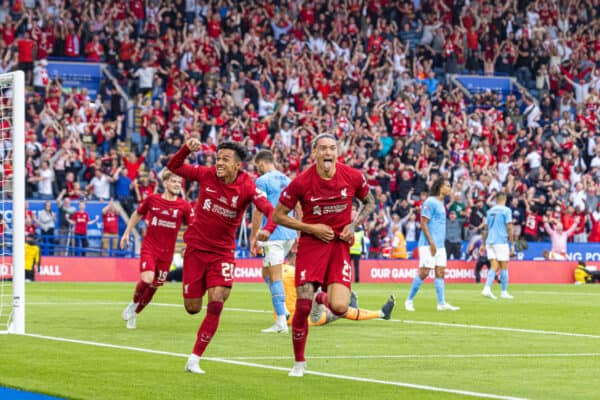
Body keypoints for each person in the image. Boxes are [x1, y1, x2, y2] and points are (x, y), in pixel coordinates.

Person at [167, 138, 277, 375]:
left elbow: (270, 209)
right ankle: (201, 288)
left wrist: (266, 230)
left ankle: (194, 358)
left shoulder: (248, 186)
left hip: (222, 254)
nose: (219, 163)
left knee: (217, 301)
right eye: (218, 158)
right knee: (193, 308)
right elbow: (174, 167)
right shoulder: (206, 175)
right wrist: (186, 148)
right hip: (196, 251)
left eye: (225, 159)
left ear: (238, 165)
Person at [271, 133, 376, 377]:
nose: (328, 153)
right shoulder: (301, 182)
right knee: (303, 306)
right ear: (314, 153)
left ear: (337, 152)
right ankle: (299, 363)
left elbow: (369, 202)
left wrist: (355, 224)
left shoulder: (352, 176)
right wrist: (310, 228)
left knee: (339, 307)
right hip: (311, 245)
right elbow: (278, 215)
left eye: (332, 148)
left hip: (339, 245)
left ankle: (323, 298)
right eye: (323, 149)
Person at [120, 170, 193, 329]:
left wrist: (190, 245)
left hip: (167, 253)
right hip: (150, 247)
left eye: (178, 183)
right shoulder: (152, 199)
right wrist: (126, 233)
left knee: (155, 285)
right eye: (173, 182)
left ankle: (135, 314)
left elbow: (192, 228)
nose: (176, 185)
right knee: (147, 279)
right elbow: (137, 214)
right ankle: (132, 305)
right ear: (165, 183)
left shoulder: (184, 206)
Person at [250, 149, 297, 334]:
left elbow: (258, 210)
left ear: (261, 163)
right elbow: (298, 204)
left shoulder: (262, 181)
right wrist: (298, 229)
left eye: (257, 166)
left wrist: (254, 236)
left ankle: (281, 322)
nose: (257, 170)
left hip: (272, 234)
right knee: (266, 273)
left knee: (275, 276)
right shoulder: (287, 180)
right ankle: (283, 309)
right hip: (289, 232)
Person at [405, 177, 460, 312]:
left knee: (440, 272)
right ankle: (409, 300)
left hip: (440, 244)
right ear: (440, 187)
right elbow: (423, 223)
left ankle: (441, 303)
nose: (449, 188)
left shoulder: (442, 203)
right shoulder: (430, 201)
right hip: (428, 244)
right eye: (447, 185)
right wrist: (431, 243)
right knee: (424, 272)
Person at [279, 264, 394, 326]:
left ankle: (355, 307)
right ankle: (381, 313)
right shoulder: (294, 272)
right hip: (305, 319)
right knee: (339, 309)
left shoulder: (275, 274)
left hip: (287, 317)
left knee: (325, 301)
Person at [481, 193, 514, 300]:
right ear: (504, 199)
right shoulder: (506, 210)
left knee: (494, 266)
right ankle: (504, 292)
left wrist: (482, 244)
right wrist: (512, 244)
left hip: (489, 241)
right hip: (500, 241)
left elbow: (485, 229)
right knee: (504, 267)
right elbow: (509, 227)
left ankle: (486, 288)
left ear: (496, 200)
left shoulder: (489, 211)